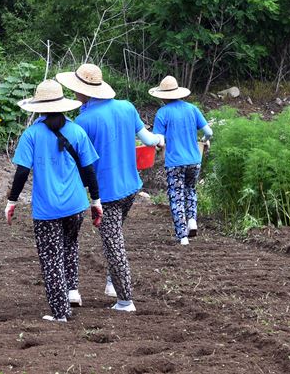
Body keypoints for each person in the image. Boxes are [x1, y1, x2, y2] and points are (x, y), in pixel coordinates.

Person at [57, 64, 161, 312]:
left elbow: (76, 160)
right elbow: (148, 140)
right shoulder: (126, 107)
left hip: (107, 194)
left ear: (83, 92)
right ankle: (112, 283)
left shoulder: (83, 121)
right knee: (115, 235)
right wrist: (161, 139)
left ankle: (125, 301)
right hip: (131, 187)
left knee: (113, 243)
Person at [5, 79, 102, 323]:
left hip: (47, 209)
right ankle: (72, 292)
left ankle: (60, 313)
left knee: (51, 258)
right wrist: (96, 200)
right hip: (76, 205)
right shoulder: (77, 131)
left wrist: (12, 201)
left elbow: (21, 173)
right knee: (70, 247)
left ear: (38, 107)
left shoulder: (31, 134)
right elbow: (89, 170)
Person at [149, 75, 213, 245]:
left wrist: (157, 146)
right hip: (194, 159)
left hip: (175, 162)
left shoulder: (162, 113)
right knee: (190, 190)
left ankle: (182, 236)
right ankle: (192, 220)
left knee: (176, 196)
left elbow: (160, 140)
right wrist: (205, 140)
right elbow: (209, 132)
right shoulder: (192, 109)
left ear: (162, 96)